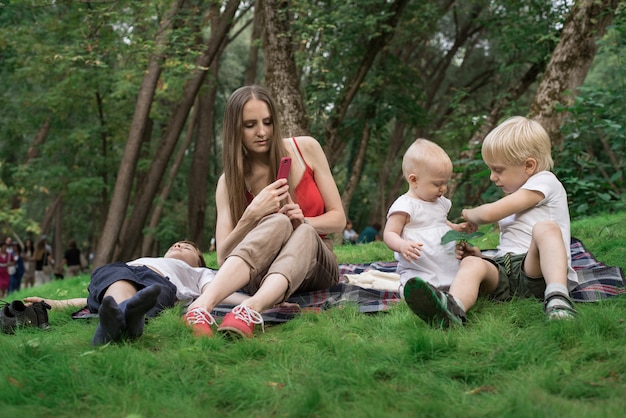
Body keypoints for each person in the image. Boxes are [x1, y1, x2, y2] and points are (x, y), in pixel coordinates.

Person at [184, 85, 346, 339]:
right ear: (235, 130)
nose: (262, 132)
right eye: (250, 125)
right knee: (278, 220)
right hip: (261, 272)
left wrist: (304, 220)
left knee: (301, 229)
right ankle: (201, 306)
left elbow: (339, 220)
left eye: (268, 122)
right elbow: (223, 257)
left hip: (317, 265)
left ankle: (251, 308)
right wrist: (251, 216)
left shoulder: (306, 149)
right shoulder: (228, 183)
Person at [404, 116, 578, 327]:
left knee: (546, 228)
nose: (492, 177)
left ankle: (558, 295)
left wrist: (469, 213)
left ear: (529, 166)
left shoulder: (545, 181)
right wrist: (482, 257)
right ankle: (453, 307)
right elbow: (511, 243)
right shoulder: (517, 194)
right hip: (507, 271)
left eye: (498, 170)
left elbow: (488, 214)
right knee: (472, 263)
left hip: (538, 269)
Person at [24, 240, 245, 345]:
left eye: (187, 247)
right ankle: (124, 316)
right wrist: (52, 302)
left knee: (149, 294)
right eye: (176, 244)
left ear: (198, 260)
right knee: (115, 283)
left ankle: (114, 324)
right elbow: (88, 300)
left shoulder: (199, 272)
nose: (179, 245)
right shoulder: (142, 260)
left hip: (162, 283)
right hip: (125, 271)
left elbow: (218, 292)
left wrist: (256, 301)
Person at [383, 139, 474, 294]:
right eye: (437, 184)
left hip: (444, 261)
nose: (443, 189)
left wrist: (456, 228)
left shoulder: (440, 202)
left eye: (446, 183)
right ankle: (417, 294)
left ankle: (454, 290)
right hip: (419, 266)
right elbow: (389, 233)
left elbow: (439, 222)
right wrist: (401, 245)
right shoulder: (405, 206)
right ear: (414, 180)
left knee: (457, 277)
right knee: (416, 283)